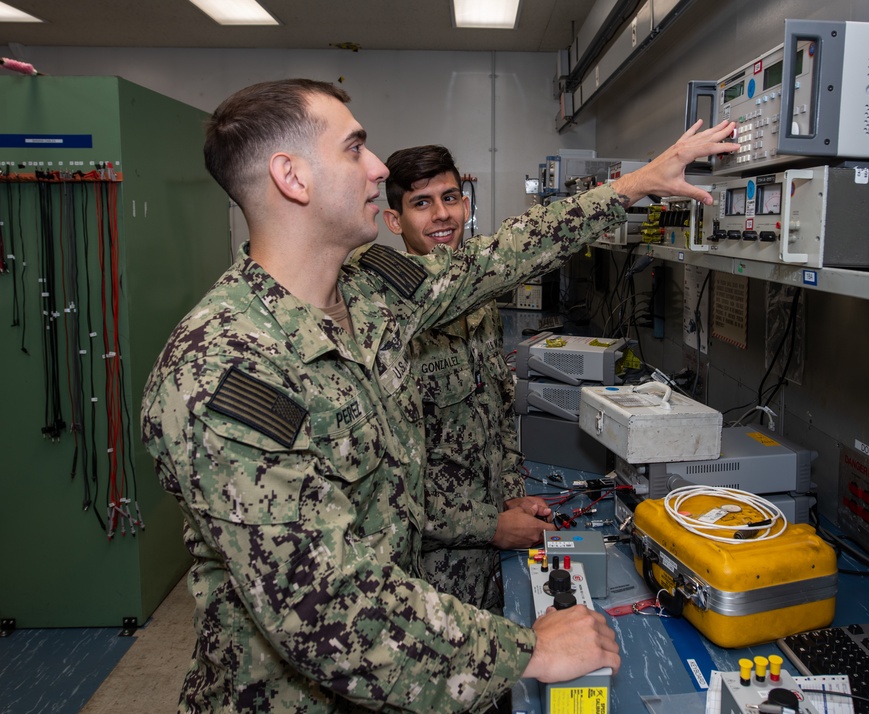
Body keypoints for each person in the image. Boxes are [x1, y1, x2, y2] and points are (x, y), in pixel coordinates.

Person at [140, 77, 737, 713]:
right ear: (292, 177)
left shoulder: (371, 293)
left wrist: (631, 187)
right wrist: (525, 651)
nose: (376, 169)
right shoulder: (225, 368)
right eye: (353, 149)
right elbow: (323, 606)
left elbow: (498, 258)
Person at [382, 145, 554, 614]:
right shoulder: (387, 320)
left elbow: (497, 414)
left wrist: (514, 496)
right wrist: (490, 525)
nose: (442, 215)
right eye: (422, 203)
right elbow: (387, 482)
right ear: (394, 221)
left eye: (451, 198)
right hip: (432, 575)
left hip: (498, 555)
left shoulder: (478, 302)